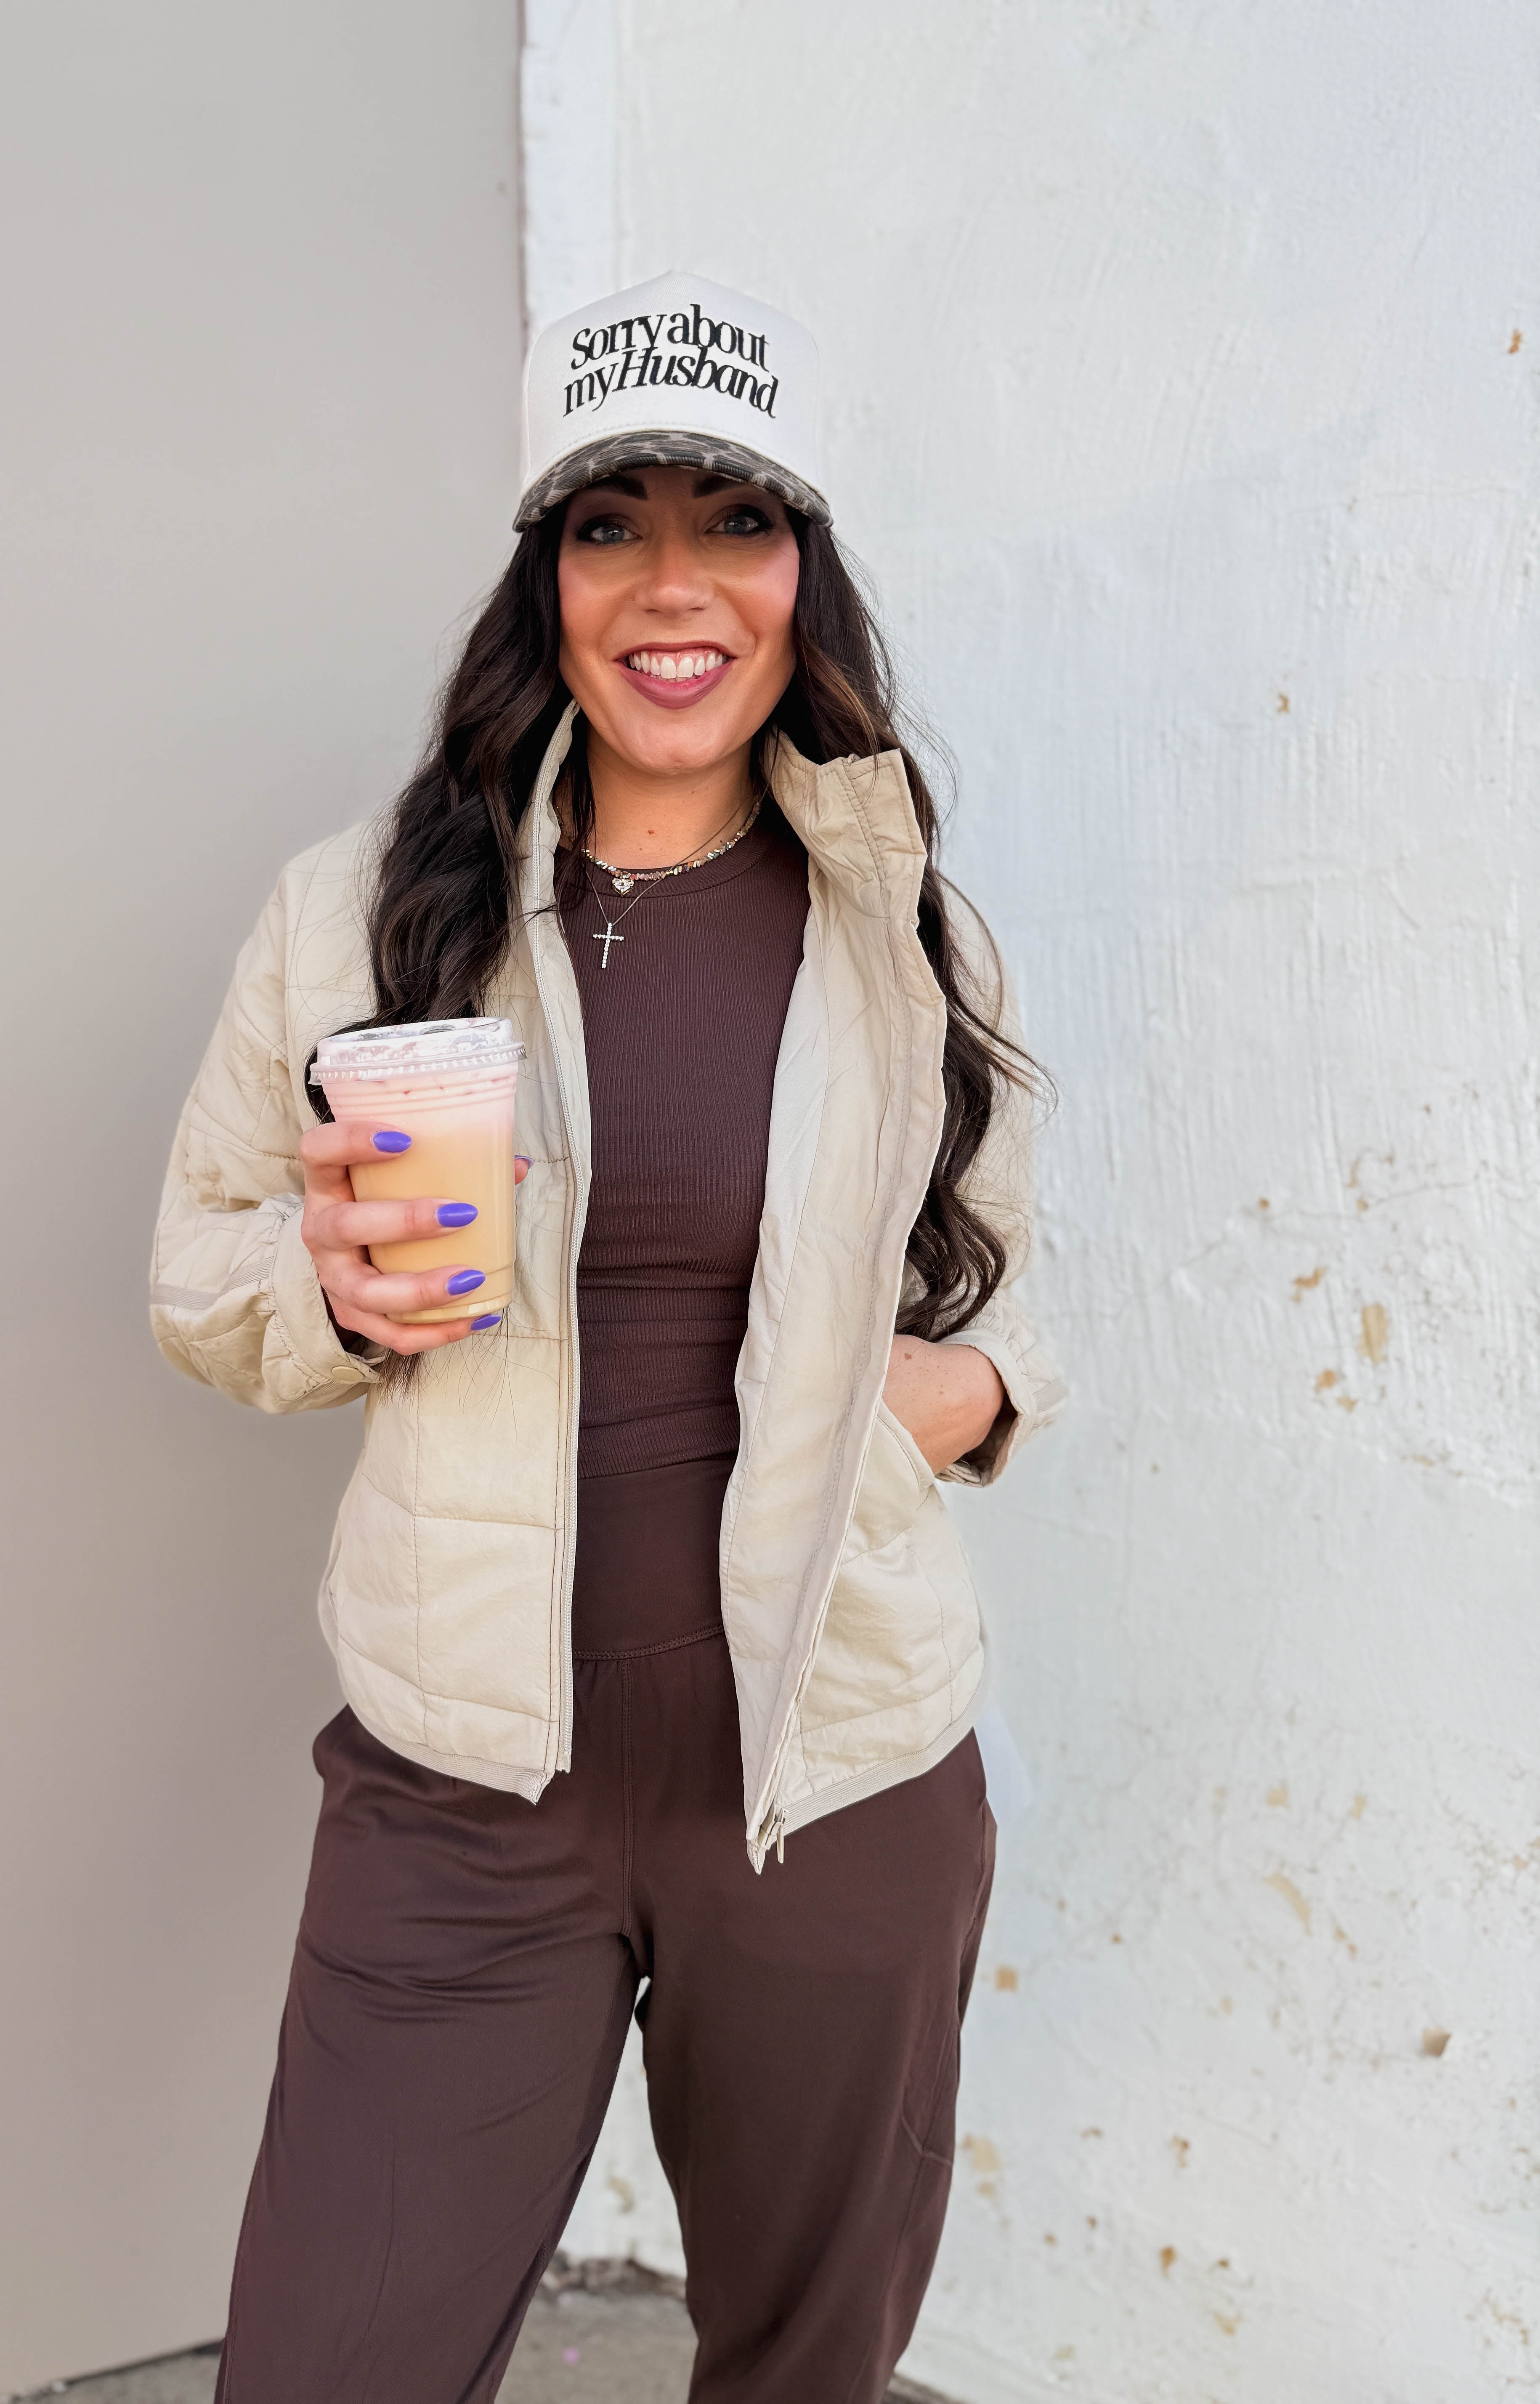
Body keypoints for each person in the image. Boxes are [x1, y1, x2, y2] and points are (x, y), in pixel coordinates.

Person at [152, 271, 1065, 2404]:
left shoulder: (905, 927)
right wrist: (332, 1296)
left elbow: (1006, 1283)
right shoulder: (362, 908)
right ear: (541, 580)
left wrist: (968, 1394)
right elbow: (201, 1269)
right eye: (608, 526)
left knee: (802, 2371)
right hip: (464, 1792)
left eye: (735, 522)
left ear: (803, 572)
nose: (675, 585)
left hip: (832, 1781)